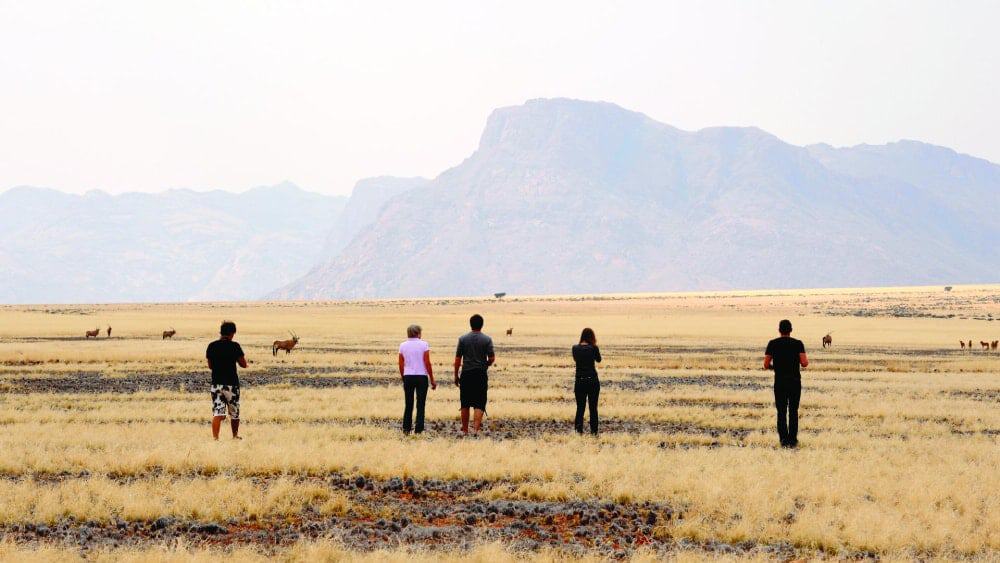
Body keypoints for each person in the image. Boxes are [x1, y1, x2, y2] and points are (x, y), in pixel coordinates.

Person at [764, 319, 808, 448]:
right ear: (791, 330)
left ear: (779, 330)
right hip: (794, 381)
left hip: (780, 382)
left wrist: (775, 367)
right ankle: (793, 440)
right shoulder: (798, 343)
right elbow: (804, 363)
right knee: (793, 411)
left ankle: (783, 440)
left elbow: (766, 364)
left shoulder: (772, 343)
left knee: (781, 411)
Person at [454, 314, 495, 434]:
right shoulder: (487, 339)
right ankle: (476, 430)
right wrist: (485, 364)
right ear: (482, 325)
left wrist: (456, 375)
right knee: (479, 402)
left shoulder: (462, 339)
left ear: (470, 324)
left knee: (465, 403)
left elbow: (457, 360)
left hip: (466, 374)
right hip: (480, 374)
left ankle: (465, 430)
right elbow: (492, 358)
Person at [206, 320, 247, 440]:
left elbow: (210, 366)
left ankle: (215, 439)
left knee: (218, 413)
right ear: (232, 333)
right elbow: (243, 364)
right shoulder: (235, 346)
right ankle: (235, 436)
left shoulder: (212, 346)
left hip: (216, 384)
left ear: (221, 332)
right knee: (234, 413)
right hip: (231, 384)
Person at [398, 324, 437, 434]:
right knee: (421, 404)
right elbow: (427, 363)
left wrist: (403, 377)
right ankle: (419, 429)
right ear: (418, 333)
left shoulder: (402, 345)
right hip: (421, 377)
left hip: (408, 376)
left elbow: (401, 364)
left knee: (408, 403)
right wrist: (432, 379)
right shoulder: (424, 344)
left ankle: (406, 428)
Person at [572, 328, 602, 435]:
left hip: (580, 381)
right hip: (592, 381)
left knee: (580, 408)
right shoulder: (594, 348)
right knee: (593, 409)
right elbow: (599, 360)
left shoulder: (575, 348)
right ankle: (594, 433)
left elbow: (576, 360)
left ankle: (578, 432)